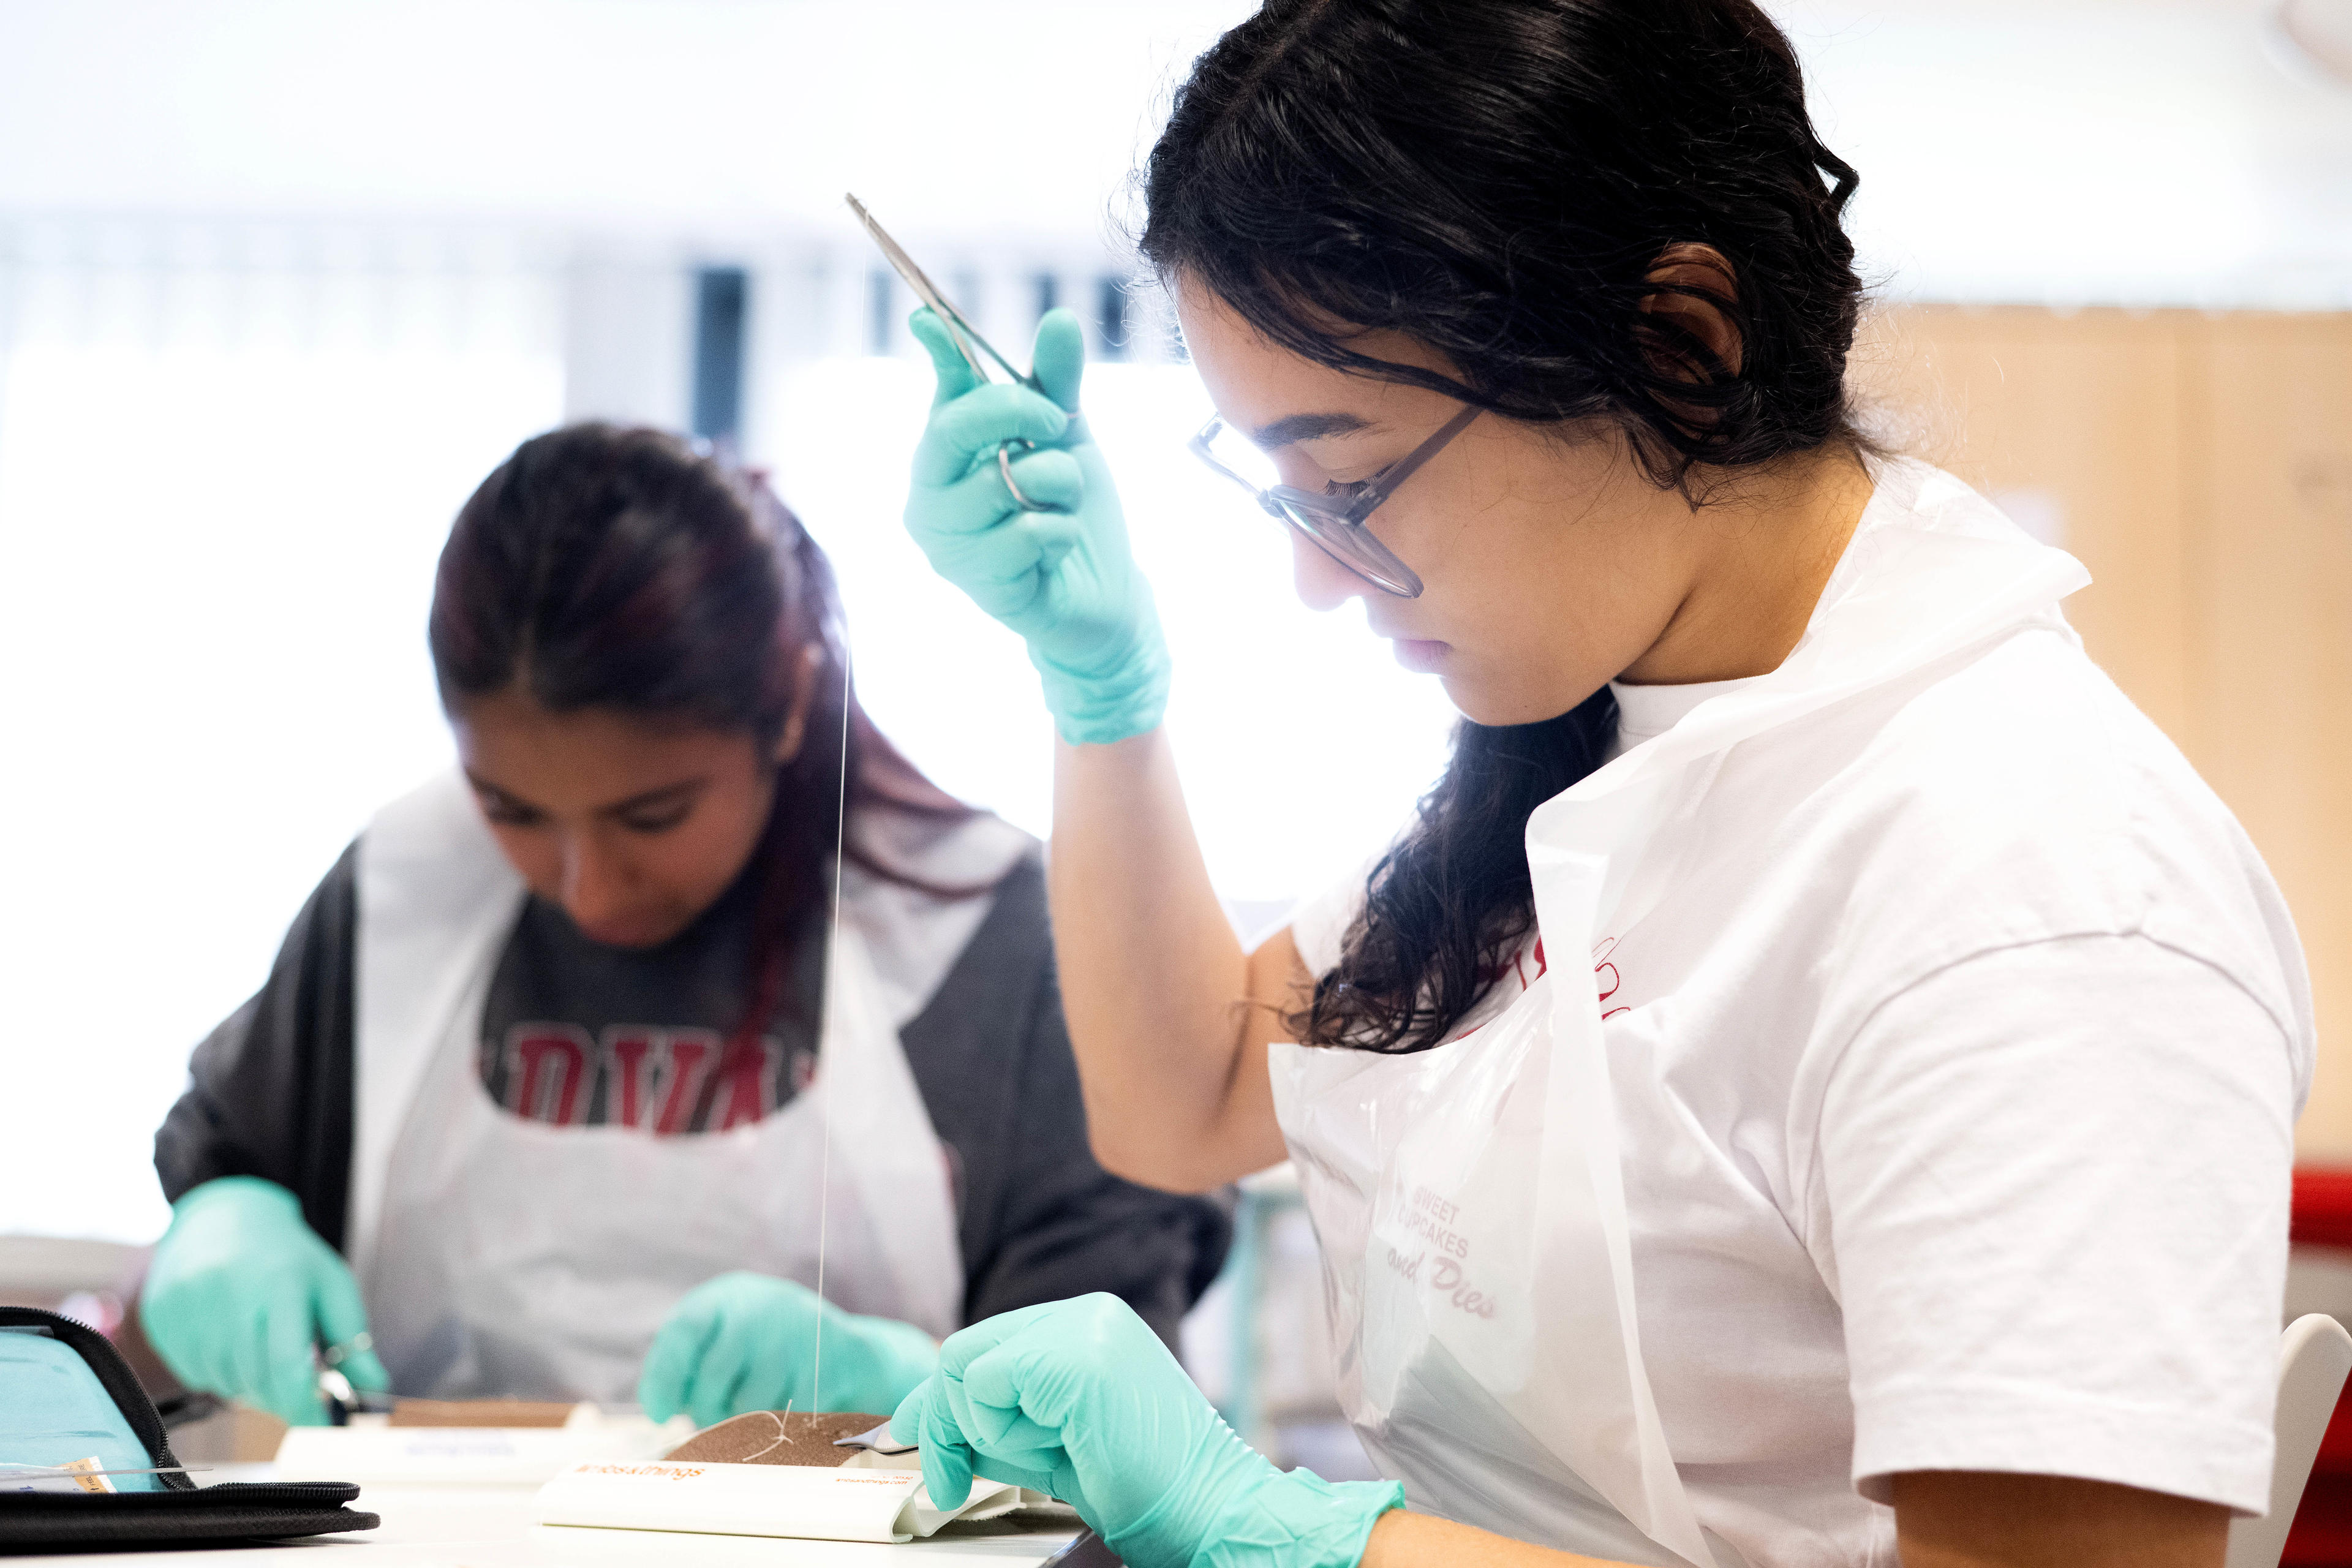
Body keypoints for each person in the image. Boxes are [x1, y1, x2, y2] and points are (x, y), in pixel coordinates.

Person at [878, 3, 2309, 1567]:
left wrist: (1305, 1537)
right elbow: (1189, 1095)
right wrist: (1101, 695)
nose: (1315, 579)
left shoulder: (2032, 887)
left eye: (1348, 481)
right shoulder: (1599, 743)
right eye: (1280, 490)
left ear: (1678, 344)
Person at [141, 423, 1229, 1430]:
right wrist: (225, 1219)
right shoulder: (405, 888)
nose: (592, 890)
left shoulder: (993, 937)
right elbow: (235, 1154)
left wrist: (911, 1390)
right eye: (513, 811)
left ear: (789, 705)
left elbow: (1124, 1398)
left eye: (653, 815)